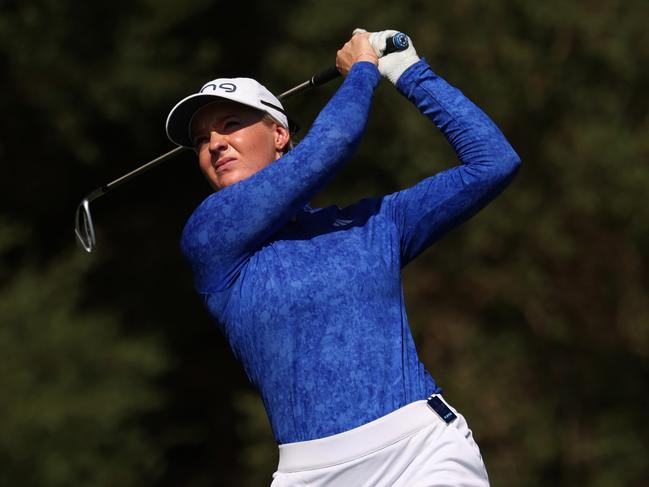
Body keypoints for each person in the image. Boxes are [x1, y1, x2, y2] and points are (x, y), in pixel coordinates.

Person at [165, 29, 520, 487]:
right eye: (200, 139)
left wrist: (411, 74)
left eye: (231, 124)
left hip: (422, 452)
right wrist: (362, 71)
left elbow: (493, 162)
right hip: (309, 474)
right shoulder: (209, 235)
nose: (214, 143)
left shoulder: (375, 224)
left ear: (278, 133)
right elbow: (332, 144)